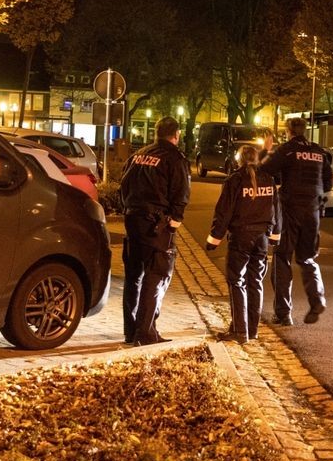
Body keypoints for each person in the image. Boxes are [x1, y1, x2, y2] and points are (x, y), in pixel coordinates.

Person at [119, 117, 190, 346]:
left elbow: (123, 186)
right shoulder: (175, 159)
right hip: (157, 224)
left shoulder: (138, 155)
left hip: (133, 220)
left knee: (133, 277)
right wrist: (174, 222)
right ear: (176, 135)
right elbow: (181, 193)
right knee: (156, 276)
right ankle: (146, 332)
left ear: (156, 133)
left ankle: (131, 330)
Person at [260, 117, 333, 325]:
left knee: (282, 258)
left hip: (290, 211)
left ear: (288, 131)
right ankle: (317, 299)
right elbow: (329, 181)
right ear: (305, 131)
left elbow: (264, 171)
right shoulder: (319, 152)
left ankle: (283, 314)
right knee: (308, 258)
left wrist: (266, 150)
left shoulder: (287, 150)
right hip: (313, 211)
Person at [204, 144, 280, 344]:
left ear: (238, 160)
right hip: (262, 238)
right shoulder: (269, 179)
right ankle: (252, 329)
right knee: (255, 282)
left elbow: (224, 211)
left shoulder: (234, 180)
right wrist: (275, 235)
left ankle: (239, 330)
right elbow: (276, 209)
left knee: (236, 281)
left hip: (241, 237)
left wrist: (214, 238)